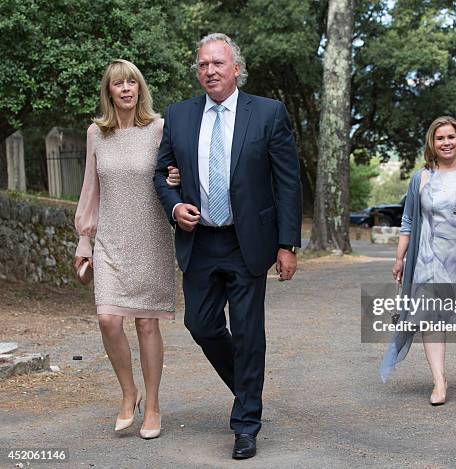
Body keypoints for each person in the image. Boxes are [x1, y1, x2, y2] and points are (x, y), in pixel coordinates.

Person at [153, 33, 302, 459]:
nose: (210, 71)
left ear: (236, 68)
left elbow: (288, 183)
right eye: (203, 65)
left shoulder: (269, 113)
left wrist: (287, 244)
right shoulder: (179, 115)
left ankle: (246, 423)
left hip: (247, 242)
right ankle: (247, 388)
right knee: (200, 324)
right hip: (199, 241)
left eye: (217, 63)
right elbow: (161, 174)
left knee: (249, 332)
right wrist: (175, 205)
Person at [74, 59, 180, 440]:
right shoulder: (95, 134)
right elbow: (90, 189)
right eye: (118, 84)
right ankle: (128, 391)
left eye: (132, 82)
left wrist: (175, 177)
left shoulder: (158, 129)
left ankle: (152, 404)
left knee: (147, 323)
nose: (126, 89)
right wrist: (84, 237)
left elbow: (173, 174)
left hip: (150, 237)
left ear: (140, 89)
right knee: (107, 319)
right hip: (110, 240)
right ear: (109, 92)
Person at [380, 116, 456, 405]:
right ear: (432, 144)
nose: (446, 142)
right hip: (428, 259)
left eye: (451, 137)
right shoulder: (421, 178)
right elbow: (408, 220)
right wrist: (399, 258)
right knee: (430, 318)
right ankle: (439, 380)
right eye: (440, 138)